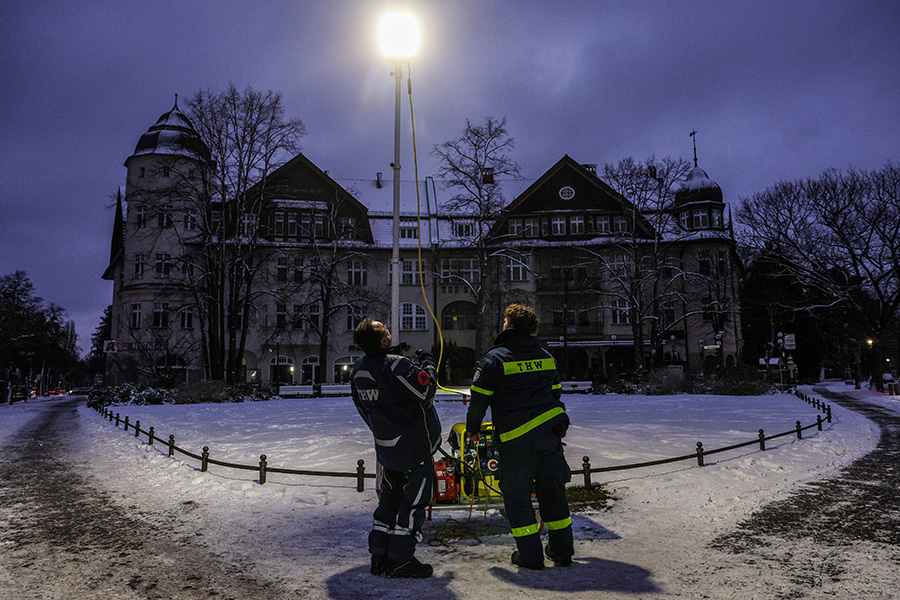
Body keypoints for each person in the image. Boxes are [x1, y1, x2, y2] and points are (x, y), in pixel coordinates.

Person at [467, 304, 574, 569]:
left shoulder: (494, 360)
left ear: (509, 325)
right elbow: (555, 393)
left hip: (515, 441)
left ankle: (530, 555)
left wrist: (473, 429)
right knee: (553, 492)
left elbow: (478, 402)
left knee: (517, 497)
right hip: (549, 436)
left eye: (504, 320)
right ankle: (562, 551)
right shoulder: (546, 356)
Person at [350, 318, 441, 578]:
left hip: (387, 448)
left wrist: (384, 431)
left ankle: (379, 556)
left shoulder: (359, 369)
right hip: (414, 448)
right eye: (385, 329)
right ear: (383, 340)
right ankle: (401, 559)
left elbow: (363, 409)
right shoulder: (396, 365)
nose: (389, 329)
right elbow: (426, 391)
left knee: (389, 500)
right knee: (413, 504)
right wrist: (428, 364)